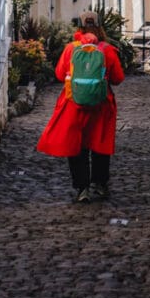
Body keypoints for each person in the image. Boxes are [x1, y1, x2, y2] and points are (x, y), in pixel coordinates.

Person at [37, 12, 124, 203]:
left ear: (80, 27)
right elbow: (118, 78)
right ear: (100, 27)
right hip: (101, 105)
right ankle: (100, 184)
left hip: (73, 103)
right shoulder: (107, 50)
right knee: (100, 144)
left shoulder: (71, 49)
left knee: (78, 146)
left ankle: (82, 188)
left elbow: (60, 75)